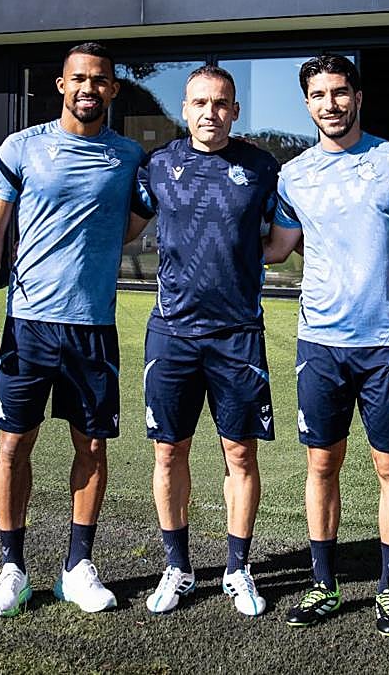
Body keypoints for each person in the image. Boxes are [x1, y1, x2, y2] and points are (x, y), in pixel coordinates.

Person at [262, 54, 389, 637]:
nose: (330, 104)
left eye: (340, 93)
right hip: (320, 346)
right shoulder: (295, 175)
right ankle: (324, 584)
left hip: (387, 345)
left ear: (358, 97)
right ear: (307, 103)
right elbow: (277, 248)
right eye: (318, 95)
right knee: (322, 465)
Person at [0, 42, 149, 617]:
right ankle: (12, 570)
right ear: (61, 85)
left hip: (92, 328)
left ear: (113, 90)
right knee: (12, 445)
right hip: (28, 326)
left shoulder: (127, 157)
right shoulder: (21, 148)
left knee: (91, 446)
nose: (88, 88)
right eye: (79, 79)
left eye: (99, 79)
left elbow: (126, 229)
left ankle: (77, 567)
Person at [125, 65, 280, 617]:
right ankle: (178, 567)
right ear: (184, 110)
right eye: (199, 103)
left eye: (221, 103)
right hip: (173, 332)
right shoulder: (158, 167)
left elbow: (282, 242)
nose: (210, 113)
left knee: (239, 452)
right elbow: (126, 228)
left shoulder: (262, 167)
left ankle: (238, 569)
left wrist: (235, 265)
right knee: (170, 451)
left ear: (235, 111)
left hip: (238, 334)